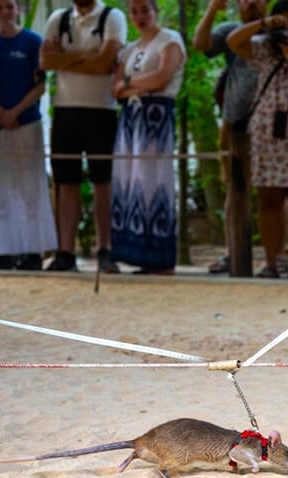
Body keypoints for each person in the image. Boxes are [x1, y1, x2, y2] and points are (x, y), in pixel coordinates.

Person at [229, 0, 288, 279]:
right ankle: (272, 261)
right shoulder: (262, 48)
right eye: (284, 21)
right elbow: (233, 42)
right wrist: (263, 24)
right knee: (269, 198)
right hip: (266, 128)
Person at [40, 0, 127, 272]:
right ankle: (65, 251)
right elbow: (45, 61)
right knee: (66, 183)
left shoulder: (113, 17)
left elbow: (104, 64)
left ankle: (106, 249)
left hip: (102, 110)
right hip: (65, 109)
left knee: (104, 181)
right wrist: (86, 56)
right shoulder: (59, 18)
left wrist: (66, 59)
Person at [0, 0, 57, 271]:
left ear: (18, 10)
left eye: (9, 7)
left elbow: (40, 85)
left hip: (26, 122)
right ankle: (3, 252)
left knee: (30, 186)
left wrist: (17, 111)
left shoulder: (33, 41)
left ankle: (33, 251)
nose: (5, 13)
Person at [109, 0, 186, 274]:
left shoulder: (170, 40)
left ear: (156, 11)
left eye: (145, 10)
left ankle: (161, 258)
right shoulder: (131, 48)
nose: (140, 16)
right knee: (130, 183)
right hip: (131, 118)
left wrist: (130, 84)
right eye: (135, 11)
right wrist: (132, 87)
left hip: (157, 115)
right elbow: (114, 89)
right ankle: (138, 254)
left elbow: (162, 78)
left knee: (154, 182)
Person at [193, 0, 266, 275]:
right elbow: (200, 44)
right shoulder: (231, 30)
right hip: (235, 120)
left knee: (274, 190)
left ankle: (277, 257)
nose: (251, 3)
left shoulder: (279, 29)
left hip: (272, 122)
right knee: (233, 188)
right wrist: (212, 9)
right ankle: (230, 251)